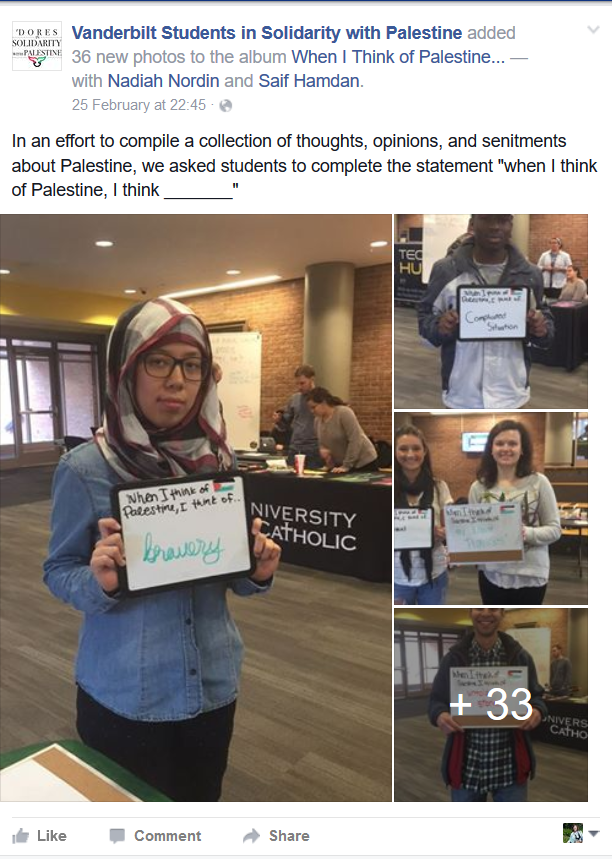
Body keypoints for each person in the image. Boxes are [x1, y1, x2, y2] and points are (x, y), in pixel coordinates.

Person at [43, 298, 281, 802]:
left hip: (213, 684)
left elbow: (228, 571)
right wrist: (100, 582)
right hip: (128, 693)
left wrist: (255, 569)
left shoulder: (217, 458)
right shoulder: (86, 468)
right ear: (126, 369)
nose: (177, 379)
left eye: (191, 364)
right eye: (159, 360)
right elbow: (58, 570)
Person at [419, 214, 554, 409]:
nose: (495, 227)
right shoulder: (446, 270)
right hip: (461, 394)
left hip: (512, 392)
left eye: (502, 220)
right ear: (472, 224)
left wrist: (541, 328)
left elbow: (547, 325)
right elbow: (424, 321)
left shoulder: (530, 274)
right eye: (487, 219)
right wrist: (439, 327)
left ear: (511, 225)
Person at [429, 607, 547, 802]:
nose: (485, 613)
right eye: (479, 608)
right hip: (467, 769)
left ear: (503, 613)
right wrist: (440, 715)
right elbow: (436, 700)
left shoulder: (519, 657)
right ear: (469, 612)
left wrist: (537, 710)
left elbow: (536, 696)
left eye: (493, 609)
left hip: (510, 768)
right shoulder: (453, 659)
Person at [469, 419, 561, 605]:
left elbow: (555, 529)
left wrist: (525, 533)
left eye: (512, 443)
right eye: (500, 443)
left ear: (522, 449)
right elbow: (473, 532)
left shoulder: (539, 482)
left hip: (531, 573)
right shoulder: (478, 488)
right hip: (491, 574)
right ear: (491, 449)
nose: (506, 448)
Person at [393, 424, 452, 605]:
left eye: (416, 448)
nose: (410, 454)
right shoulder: (388, 488)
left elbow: (453, 526)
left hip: (435, 571)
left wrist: (444, 532)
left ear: (424, 451)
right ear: (395, 452)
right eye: (403, 449)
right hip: (399, 574)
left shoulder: (439, 486)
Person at [304, 387, 378, 473]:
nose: (311, 411)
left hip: (363, 462)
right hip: (342, 464)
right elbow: (323, 444)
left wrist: (346, 465)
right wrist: (326, 455)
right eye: (310, 408)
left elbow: (355, 439)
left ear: (323, 402)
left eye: (314, 407)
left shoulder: (344, 413)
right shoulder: (317, 421)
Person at [283, 364, 323, 468]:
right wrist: (279, 419)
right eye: (297, 384)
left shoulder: (321, 398)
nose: (299, 387)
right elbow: (285, 424)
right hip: (295, 447)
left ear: (312, 379)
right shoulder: (294, 398)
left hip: (313, 448)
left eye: (302, 383)